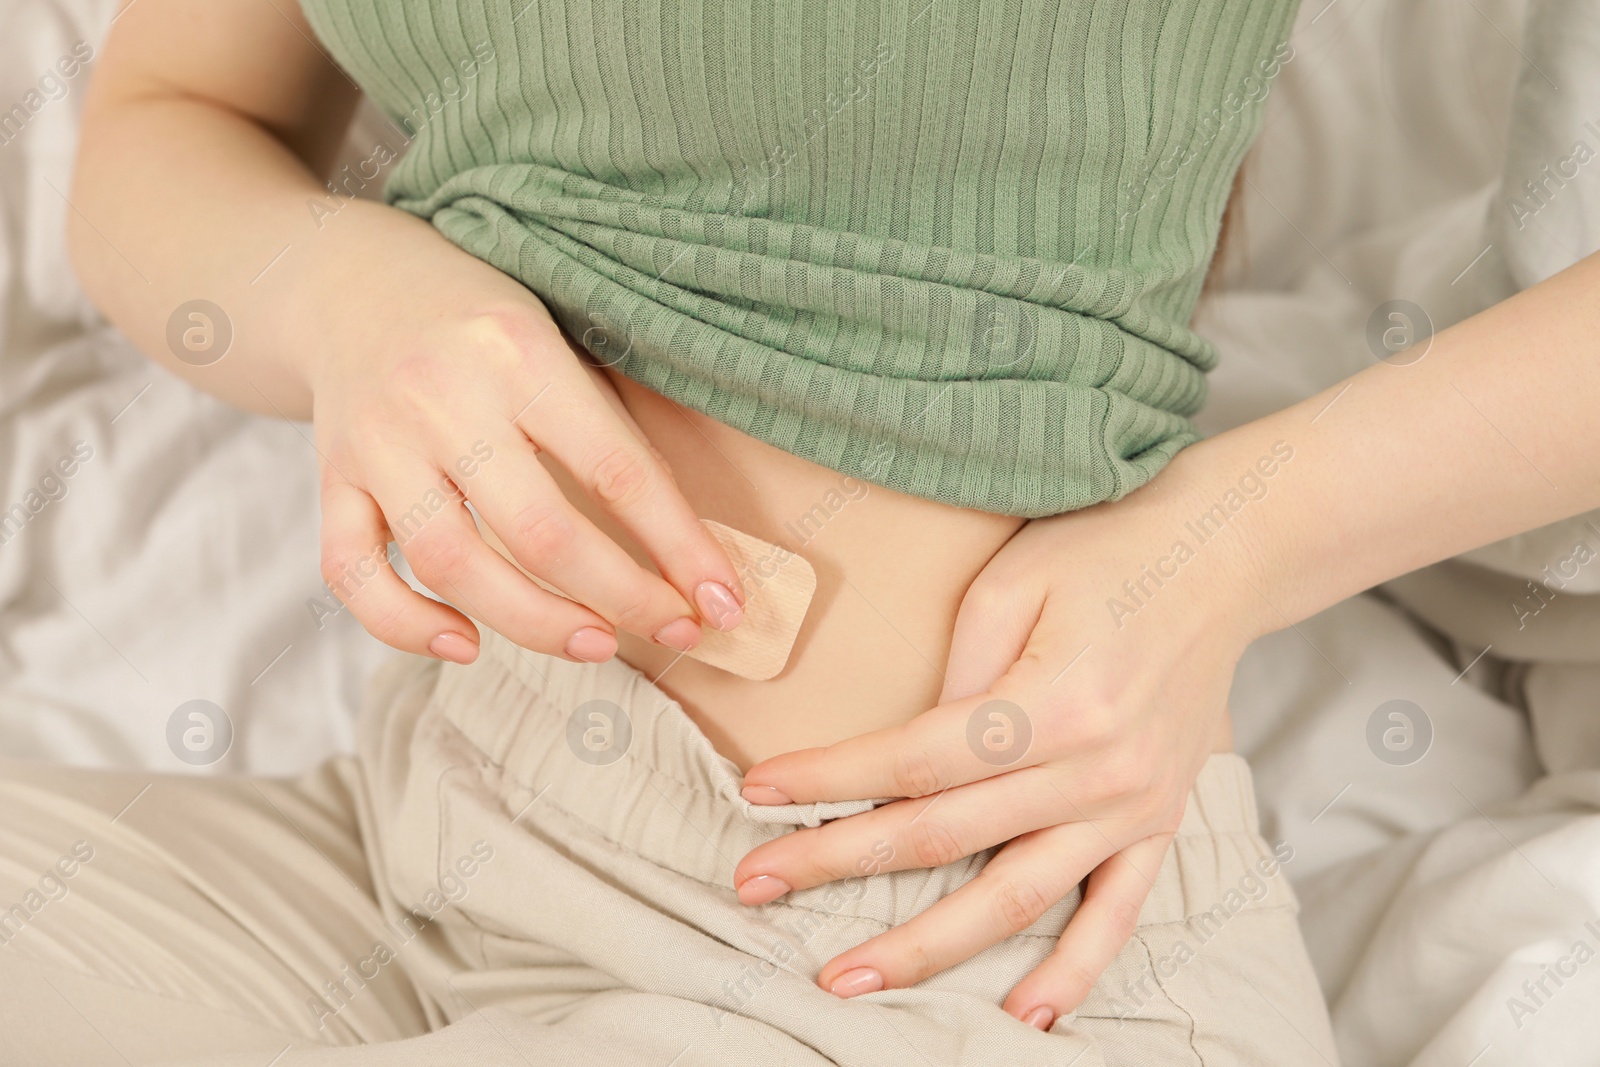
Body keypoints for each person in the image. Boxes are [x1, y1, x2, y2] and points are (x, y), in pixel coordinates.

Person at [8, 0, 1599, 1062]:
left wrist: (1262, 530)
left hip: (926, 957)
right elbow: (171, 110)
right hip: (420, 827)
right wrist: (341, 295)